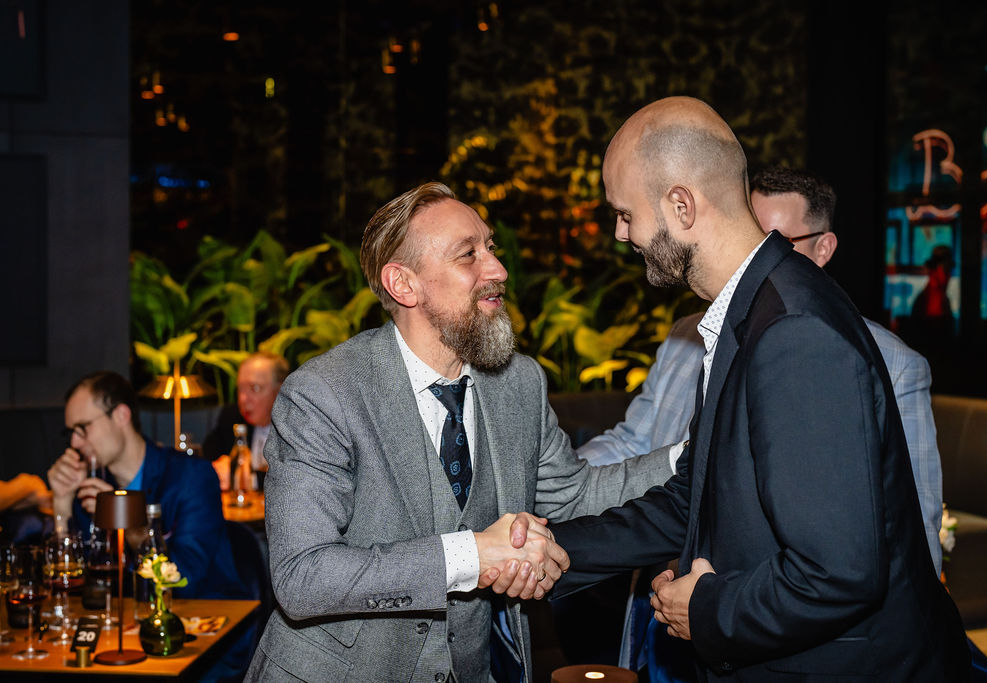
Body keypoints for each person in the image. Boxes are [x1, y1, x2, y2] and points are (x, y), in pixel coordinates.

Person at [549, 96, 970, 680]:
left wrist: (705, 608)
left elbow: (839, 573)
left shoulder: (793, 330)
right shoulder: (752, 308)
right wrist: (552, 554)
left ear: (681, 205)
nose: (622, 233)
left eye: (625, 213)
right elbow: (694, 496)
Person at [245, 182, 675, 683]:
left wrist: (695, 451)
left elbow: (576, 493)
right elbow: (302, 577)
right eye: (468, 254)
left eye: (490, 247)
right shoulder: (324, 393)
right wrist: (472, 553)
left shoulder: (518, 383)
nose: (498, 270)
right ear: (403, 284)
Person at [581, 165, 944, 577]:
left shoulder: (892, 362)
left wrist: (713, 603)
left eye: (778, 242)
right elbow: (637, 444)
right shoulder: (687, 336)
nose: (757, 255)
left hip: (771, 598)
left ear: (823, 249)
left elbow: (912, 529)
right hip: (657, 580)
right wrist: (548, 481)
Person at [47, 371, 244, 600]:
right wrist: (62, 504)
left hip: (207, 616)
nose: (74, 442)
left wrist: (129, 523)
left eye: (82, 428)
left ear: (121, 415)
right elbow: (76, 587)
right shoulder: (94, 486)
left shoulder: (190, 477)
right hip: (132, 618)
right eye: (71, 432)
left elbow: (185, 582)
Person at [202, 351, 289, 490]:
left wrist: (245, 478)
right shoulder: (232, 418)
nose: (243, 399)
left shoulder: (297, 428)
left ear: (280, 390)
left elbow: (289, 481)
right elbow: (206, 459)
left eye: (254, 388)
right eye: (240, 389)